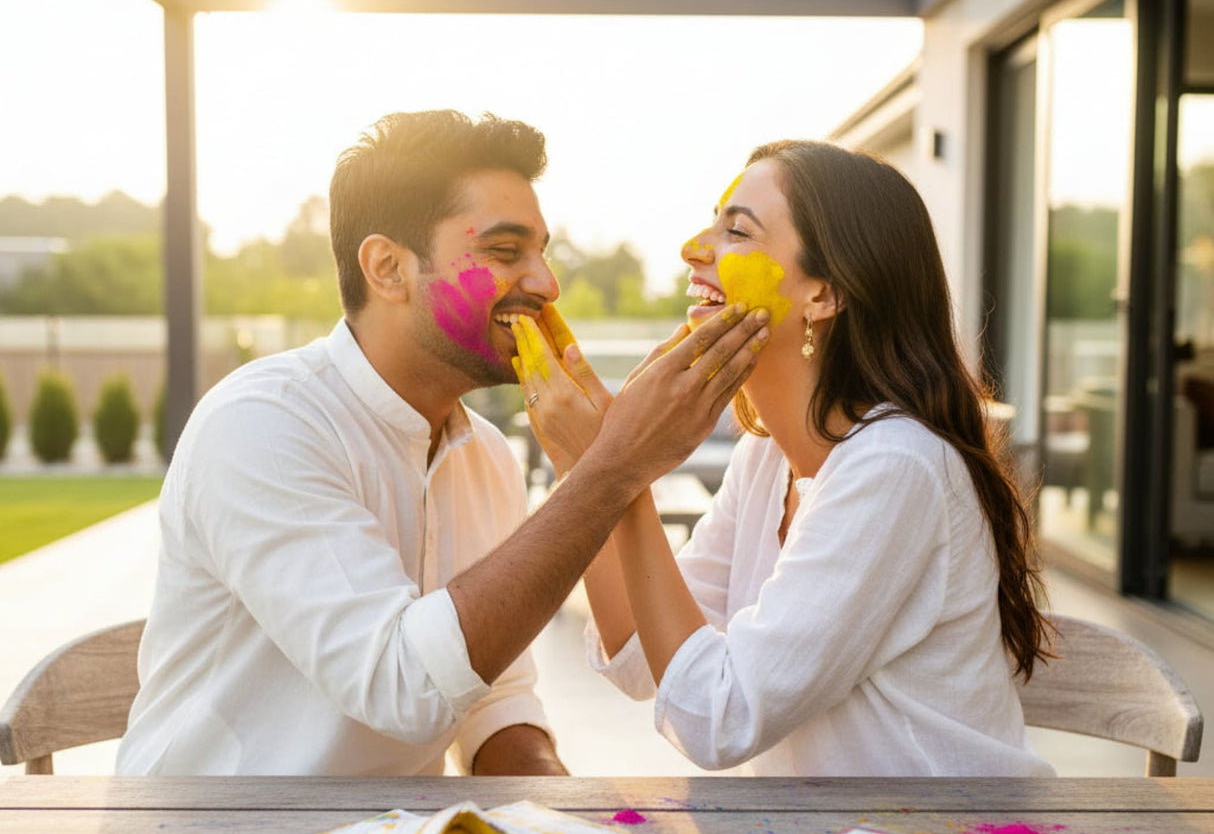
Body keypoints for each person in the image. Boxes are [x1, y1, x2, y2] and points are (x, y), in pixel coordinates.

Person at [116, 110, 769, 776]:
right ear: (388, 268)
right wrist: (610, 466)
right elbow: (406, 687)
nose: (547, 283)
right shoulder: (263, 426)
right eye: (506, 251)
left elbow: (495, 704)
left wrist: (568, 824)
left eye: (542, 251)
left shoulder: (485, 455)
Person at [514, 139, 1055, 777]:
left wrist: (620, 470)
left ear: (824, 294)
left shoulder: (895, 467)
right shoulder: (765, 459)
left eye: (736, 231)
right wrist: (593, 468)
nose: (694, 248)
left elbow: (719, 719)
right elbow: (639, 656)